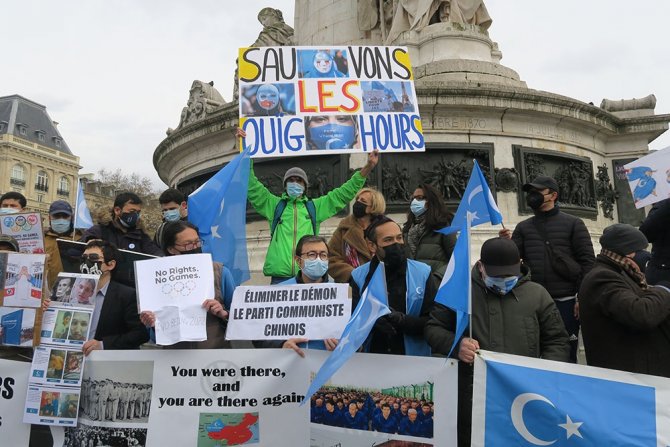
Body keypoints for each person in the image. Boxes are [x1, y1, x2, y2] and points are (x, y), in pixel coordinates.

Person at [425, 236, 570, 447]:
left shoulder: (537, 295)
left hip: (522, 392)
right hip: (472, 395)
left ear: (520, 264)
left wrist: (542, 373)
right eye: (495, 275)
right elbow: (433, 328)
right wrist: (456, 345)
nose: (503, 281)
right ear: (480, 266)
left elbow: (557, 340)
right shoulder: (457, 293)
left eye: (509, 275)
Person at [242, 127, 379, 283]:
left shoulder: (314, 207)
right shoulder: (273, 205)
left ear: (305, 186)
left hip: (309, 275)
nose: (295, 183)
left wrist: (367, 168)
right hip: (280, 279)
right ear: (285, 185)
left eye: (299, 181)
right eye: (291, 181)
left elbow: (343, 193)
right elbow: (251, 185)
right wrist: (244, 147)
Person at [499, 175, 595, 363]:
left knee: (565, 352)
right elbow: (513, 260)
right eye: (530, 193)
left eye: (537, 192)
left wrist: (582, 297)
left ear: (553, 195)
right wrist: (505, 244)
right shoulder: (523, 227)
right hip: (534, 301)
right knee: (533, 351)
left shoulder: (574, 223)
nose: (532, 196)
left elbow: (587, 263)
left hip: (565, 301)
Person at [579, 224, 670, 377]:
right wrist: (663, 289)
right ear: (628, 252)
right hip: (626, 374)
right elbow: (641, 313)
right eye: (640, 250)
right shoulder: (602, 278)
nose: (645, 256)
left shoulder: (622, 272)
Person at [350, 215, 440, 356]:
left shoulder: (422, 273)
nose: (396, 243)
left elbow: (435, 321)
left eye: (399, 238)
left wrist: (403, 321)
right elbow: (351, 321)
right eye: (388, 240)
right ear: (371, 245)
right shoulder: (358, 276)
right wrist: (372, 323)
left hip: (412, 361)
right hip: (371, 361)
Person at [140, 221, 233, 349]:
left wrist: (224, 313)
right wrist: (153, 324)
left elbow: (239, 316)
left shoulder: (220, 272)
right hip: (177, 361)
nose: (195, 247)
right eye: (188, 244)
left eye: (197, 242)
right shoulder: (157, 278)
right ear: (171, 249)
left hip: (215, 358)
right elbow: (153, 337)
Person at [45, 239, 149, 354]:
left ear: (111, 264)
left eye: (93, 258)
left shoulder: (126, 295)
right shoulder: (69, 291)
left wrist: (103, 344)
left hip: (104, 362)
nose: (86, 263)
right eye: (83, 258)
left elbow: (140, 334)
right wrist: (48, 310)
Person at [255, 235, 340, 356]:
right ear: (298, 260)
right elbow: (259, 334)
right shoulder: (279, 292)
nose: (318, 259)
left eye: (323, 255)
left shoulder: (341, 294)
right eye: (312, 255)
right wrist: (281, 345)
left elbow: (355, 336)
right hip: (289, 364)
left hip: (327, 364)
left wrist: (342, 345)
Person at [328, 187, 386, 282]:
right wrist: (353, 275)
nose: (357, 203)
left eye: (362, 201)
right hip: (351, 285)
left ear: (373, 207)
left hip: (380, 282)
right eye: (357, 199)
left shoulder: (385, 229)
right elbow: (331, 257)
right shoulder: (344, 228)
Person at [81, 192, 163, 256]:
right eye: (132, 211)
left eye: (138, 212)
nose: (136, 215)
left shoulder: (140, 234)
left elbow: (154, 251)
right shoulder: (101, 229)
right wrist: (91, 240)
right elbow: (86, 238)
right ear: (117, 210)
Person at [402, 183, 455, 275]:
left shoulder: (444, 227)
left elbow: (456, 259)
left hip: (435, 285)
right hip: (414, 285)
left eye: (419, 198)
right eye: (413, 198)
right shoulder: (407, 230)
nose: (414, 201)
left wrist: (436, 278)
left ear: (431, 201)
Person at [44, 200, 82, 287]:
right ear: (49, 217)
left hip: (69, 290)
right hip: (42, 293)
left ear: (71, 217)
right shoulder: (41, 239)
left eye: (65, 216)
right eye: (56, 216)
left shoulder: (81, 240)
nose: (61, 219)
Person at [639, 198, 670, 284]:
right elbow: (645, 234)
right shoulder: (664, 206)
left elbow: (644, 234)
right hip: (664, 269)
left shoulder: (664, 206)